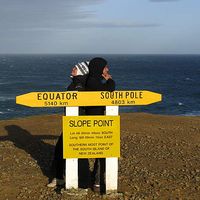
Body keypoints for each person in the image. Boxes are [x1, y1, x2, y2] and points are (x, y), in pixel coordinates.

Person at [47, 61, 91, 188]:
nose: (73, 68)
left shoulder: (79, 84)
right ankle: (60, 177)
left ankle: (82, 182)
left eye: (76, 68)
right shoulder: (77, 82)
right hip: (71, 123)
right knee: (61, 150)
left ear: (82, 71)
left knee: (77, 152)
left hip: (77, 124)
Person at [85, 57, 115, 194]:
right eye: (105, 67)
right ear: (99, 68)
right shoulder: (92, 82)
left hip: (95, 119)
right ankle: (95, 181)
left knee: (100, 152)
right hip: (93, 121)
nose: (107, 70)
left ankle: (95, 179)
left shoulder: (92, 80)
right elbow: (109, 90)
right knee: (101, 151)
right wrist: (110, 79)